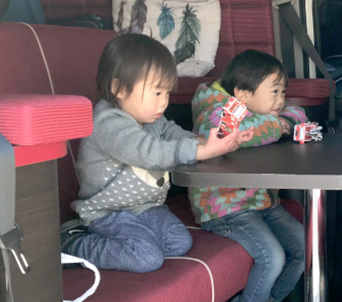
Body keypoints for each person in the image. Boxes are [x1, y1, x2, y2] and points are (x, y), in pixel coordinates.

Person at [61, 34, 251, 272]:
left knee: (179, 243)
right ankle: (74, 243)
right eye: (157, 93)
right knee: (147, 258)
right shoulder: (108, 123)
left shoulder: (149, 117)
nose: (164, 103)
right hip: (107, 212)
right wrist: (200, 151)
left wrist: (208, 142)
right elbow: (147, 152)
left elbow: (171, 133)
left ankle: (135, 239)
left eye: (167, 93)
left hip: (145, 206)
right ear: (119, 88)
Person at [191, 50, 309, 302]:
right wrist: (281, 126)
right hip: (223, 205)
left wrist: (284, 121)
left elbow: (298, 114)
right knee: (272, 256)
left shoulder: (259, 109)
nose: (281, 100)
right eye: (275, 91)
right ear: (242, 94)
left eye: (283, 91)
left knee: (306, 247)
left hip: (261, 202)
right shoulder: (214, 112)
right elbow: (234, 131)